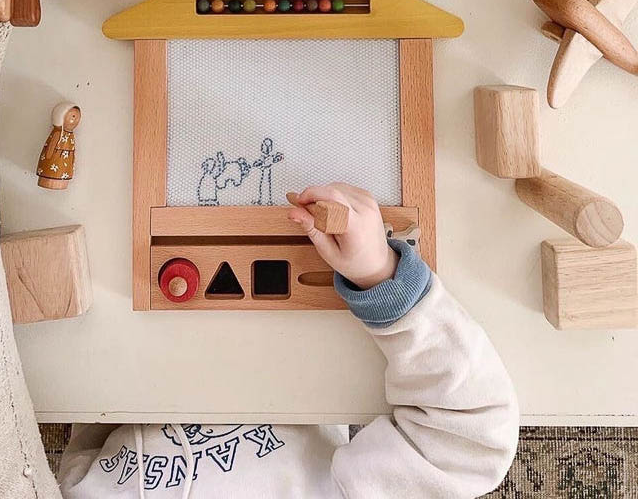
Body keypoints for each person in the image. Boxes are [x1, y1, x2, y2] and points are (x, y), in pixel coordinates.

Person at [59, 183, 519, 498]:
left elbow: (79, 438)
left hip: (114, 323)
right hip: (302, 325)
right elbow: (470, 442)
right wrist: (381, 279)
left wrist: (95, 374)